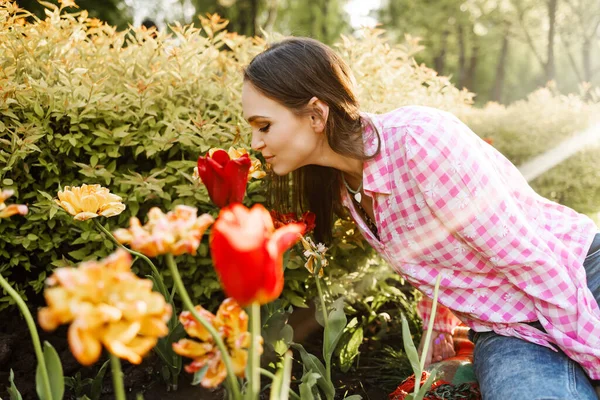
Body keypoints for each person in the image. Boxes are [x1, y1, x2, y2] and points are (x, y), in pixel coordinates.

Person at [241, 36, 600, 400]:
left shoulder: (419, 141)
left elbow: (531, 261)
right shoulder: (346, 187)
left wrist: (593, 355)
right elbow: (438, 263)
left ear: (316, 114)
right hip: (508, 327)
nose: (255, 143)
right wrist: (437, 354)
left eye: (264, 126)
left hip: (576, 275)